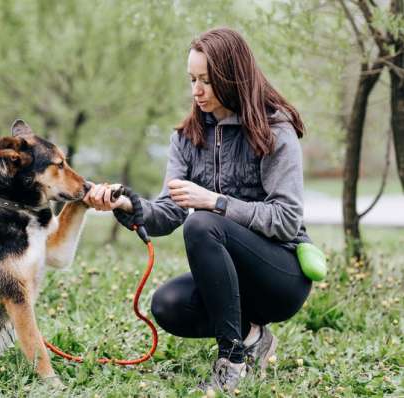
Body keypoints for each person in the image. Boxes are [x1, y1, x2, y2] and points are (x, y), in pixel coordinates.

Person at [83, 27, 312, 393]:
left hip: (281, 275)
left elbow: (286, 220)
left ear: (233, 77)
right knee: (168, 304)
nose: (196, 91)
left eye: (206, 80)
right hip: (232, 281)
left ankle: (232, 358)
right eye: (192, 79)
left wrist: (216, 202)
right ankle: (253, 337)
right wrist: (128, 203)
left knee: (203, 224)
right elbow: (168, 213)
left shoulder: (274, 130)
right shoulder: (187, 137)